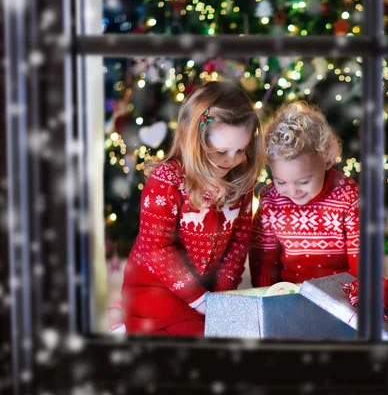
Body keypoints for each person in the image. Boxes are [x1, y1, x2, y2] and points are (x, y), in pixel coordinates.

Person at [121, 81, 264, 336]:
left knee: (243, 330)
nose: (232, 160)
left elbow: (239, 242)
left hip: (205, 289)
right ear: (194, 141)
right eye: (221, 151)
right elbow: (157, 249)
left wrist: (221, 298)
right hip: (155, 289)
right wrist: (200, 301)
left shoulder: (240, 179)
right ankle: (125, 315)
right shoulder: (166, 181)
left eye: (240, 150)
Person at [250, 102, 359, 287]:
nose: (292, 192)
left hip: (341, 293)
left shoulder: (347, 195)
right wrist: (266, 294)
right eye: (281, 182)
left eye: (303, 182)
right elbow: (263, 256)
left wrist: (358, 293)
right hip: (289, 293)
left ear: (326, 160)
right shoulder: (270, 199)